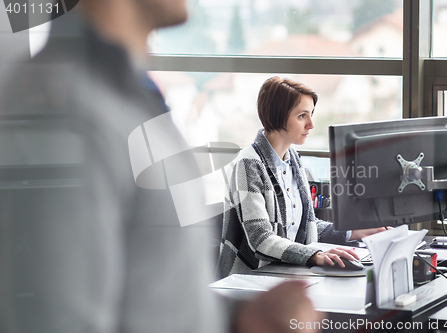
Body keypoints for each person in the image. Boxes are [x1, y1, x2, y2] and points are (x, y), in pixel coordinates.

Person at [0, 2, 321, 333]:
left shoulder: (124, 91)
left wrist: (238, 320)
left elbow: (152, 295)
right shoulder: (67, 105)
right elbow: (59, 318)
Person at [218, 77, 386, 277]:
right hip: (250, 279)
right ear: (278, 116)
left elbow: (307, 227)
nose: (311, 124)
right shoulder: (247, 165)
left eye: (311, 115)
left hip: (287, 272)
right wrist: (315, 255)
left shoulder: (293, 159)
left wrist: (353, 232)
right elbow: (261, 239)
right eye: (302, 116)